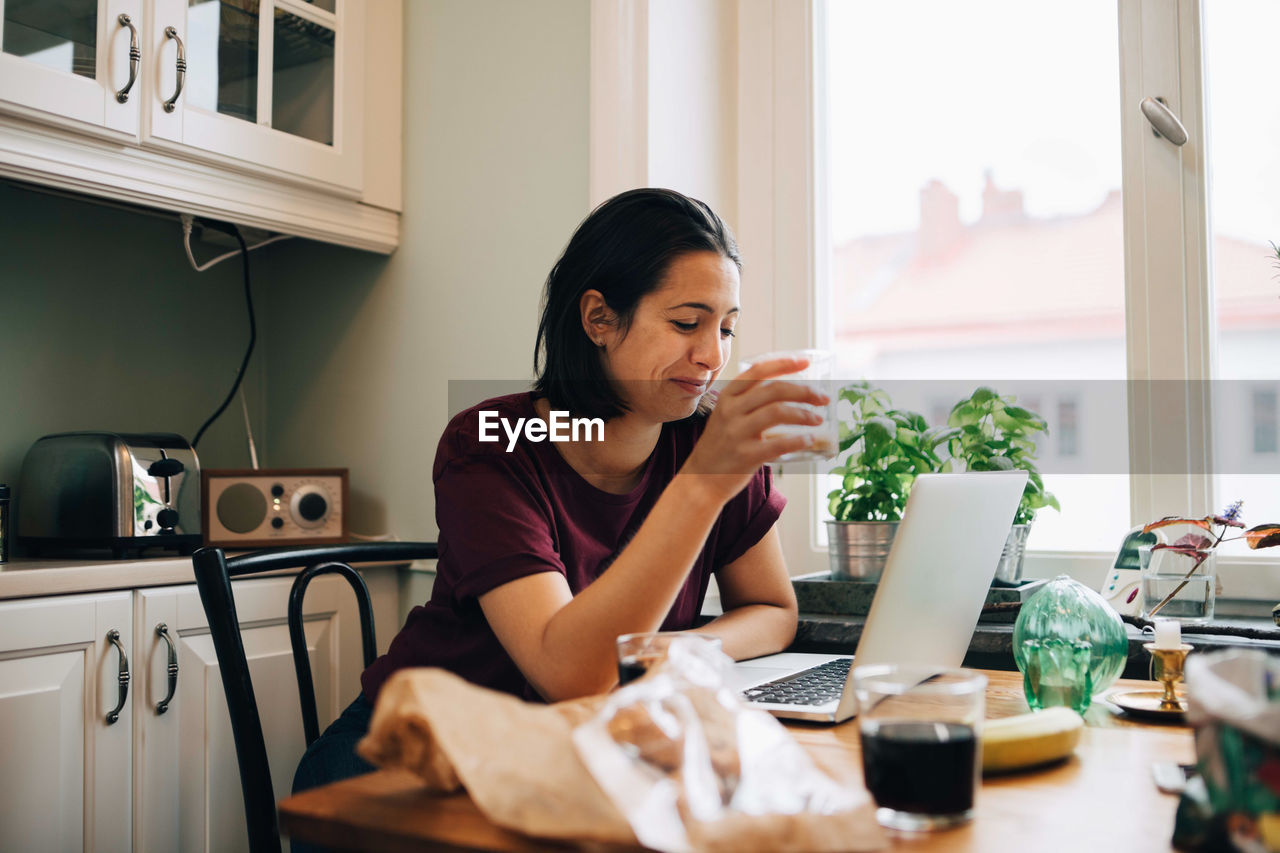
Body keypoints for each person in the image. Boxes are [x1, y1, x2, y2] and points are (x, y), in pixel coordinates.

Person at [293, 187, 827, 795]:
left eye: (727, 329)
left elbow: (773, 612)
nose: (712, 356)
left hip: (579, 743)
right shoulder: (492, 443)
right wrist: (704, 486)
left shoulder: (705, 438)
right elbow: (570, 675)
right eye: (686, 323)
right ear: (599, 318)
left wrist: (670, 648)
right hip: (419, 758)